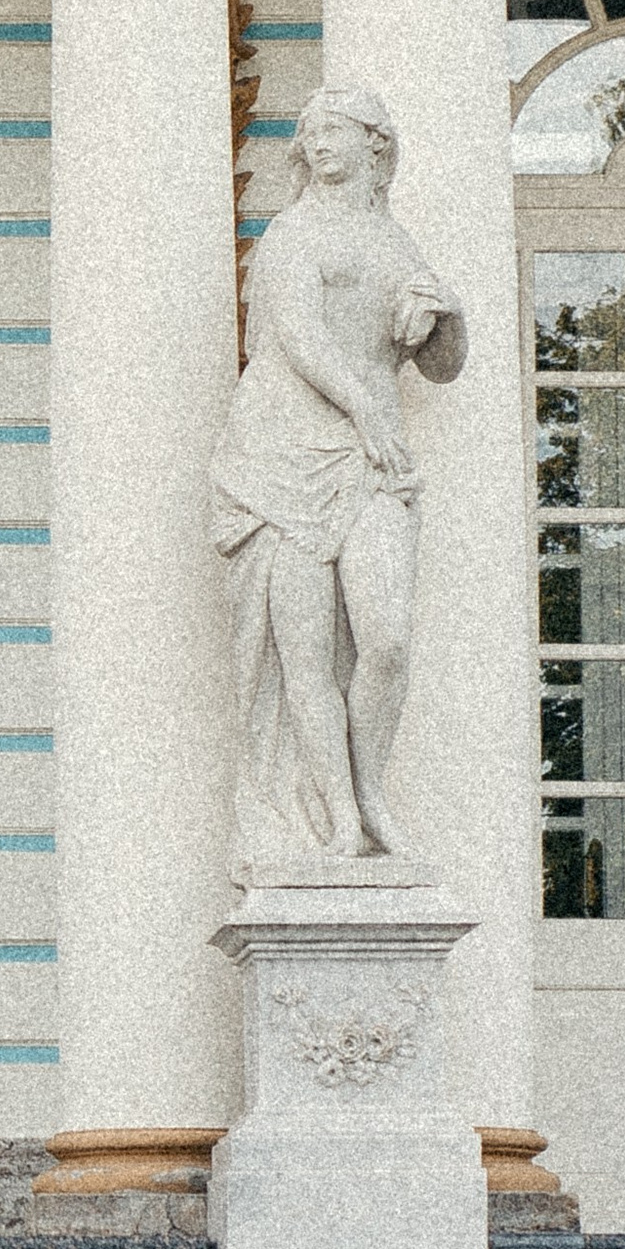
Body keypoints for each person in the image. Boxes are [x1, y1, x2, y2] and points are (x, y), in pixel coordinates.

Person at [212, 82, 466, 865]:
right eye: (309, 132)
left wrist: (450, 315)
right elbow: (298, 338)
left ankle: (371, 789)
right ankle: (342, 819)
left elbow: (440, 366)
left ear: (374, 143)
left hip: (369, 457)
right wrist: (365, 410)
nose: (316, 142)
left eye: (333, 129)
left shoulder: (396, 243)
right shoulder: (294, 231)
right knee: (305, 655)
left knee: (386, 638)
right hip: (283, 452)